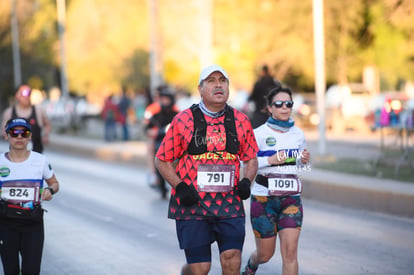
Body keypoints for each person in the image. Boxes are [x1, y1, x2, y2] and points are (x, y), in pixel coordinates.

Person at [154, 64, 259, 275]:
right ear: (200, 89)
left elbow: (251, 158)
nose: (218, 85)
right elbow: (162, 160)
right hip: (193, 204)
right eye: (211, 81)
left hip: (229, 203)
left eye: (222, 81)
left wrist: (247, 180)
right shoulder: (182, 120)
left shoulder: (241, 121)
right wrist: (180, 187)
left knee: (232, 260)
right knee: (200, 268)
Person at [242, 86, 311, 275]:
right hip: (264, 199)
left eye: (288, 104)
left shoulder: (298, 134)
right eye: (279, 104)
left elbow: (301, 165)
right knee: (265, 254)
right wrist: (269, 160)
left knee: (290, 253)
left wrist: (304, 160)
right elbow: (247, 163)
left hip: (291, 198)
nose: (284, 107)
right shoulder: (258, 134)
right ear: (270, 108)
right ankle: (251, 265)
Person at [0, 117, 60, 275]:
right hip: (5, 224)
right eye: (14, 132)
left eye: (24, 133)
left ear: (30, 136)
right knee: (10, 271)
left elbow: (55, 183)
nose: (19, 137)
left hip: (32, 224)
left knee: (31, 271)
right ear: (6, 135)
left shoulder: (40, 161)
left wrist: (50, 190)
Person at [145, 88, 178, 199]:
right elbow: (147, 130)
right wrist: (159, 131)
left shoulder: (177, 113)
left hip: (175, 142)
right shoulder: (155, 113)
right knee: (154, 151)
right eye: (162, 99)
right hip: (160, 141)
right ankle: (155, 175)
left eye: (166, 99)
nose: (164, 101)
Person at [1, 84, 51, 153]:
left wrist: (45, 135)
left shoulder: (38, 111)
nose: (27, 96)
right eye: (24, 93)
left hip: (36, 155)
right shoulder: (9, 113)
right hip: (16, 158)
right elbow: (4, 131)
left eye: (29, 93)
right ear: (17, 95)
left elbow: (47, 124)